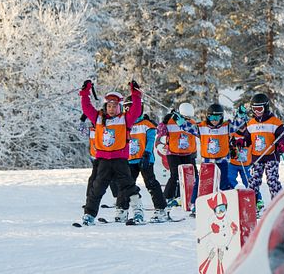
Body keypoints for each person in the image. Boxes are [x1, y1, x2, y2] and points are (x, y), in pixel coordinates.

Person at [79, 80, 144, 226]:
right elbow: (86, 107)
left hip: (119, 160)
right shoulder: (98, 118)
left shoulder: (125, 119)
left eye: (115, 106)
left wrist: (135, 94)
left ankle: (138, 212)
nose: (111, 109)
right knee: (97, 189)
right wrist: (85, 93)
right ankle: (89, 215)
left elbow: (136, 110)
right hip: (103, 160)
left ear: (119, 107)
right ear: (105, 106)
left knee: (128, 186)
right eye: (109, 106)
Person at [118, 97, 169, 223]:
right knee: (126, 184)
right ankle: (122, 209)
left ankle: (160, 209)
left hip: (144, 159)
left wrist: (146, 153)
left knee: (151, 183)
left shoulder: (147, 124)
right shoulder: (124, 124)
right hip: (130, 160)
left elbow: (151, 140)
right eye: (127, 109)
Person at [246, 93, 284, 214]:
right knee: (254, 181)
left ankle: (278, 205)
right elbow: (247, 139)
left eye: (260, 109)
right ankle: (250, 206)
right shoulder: (251, 123)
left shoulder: (274, 122)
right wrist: (240, 141)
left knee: (272, 180)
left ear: (266, 107)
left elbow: (283, 135)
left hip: (271, 156)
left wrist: (282, 143)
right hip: (257, 158)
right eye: (254, 109)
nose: (257, 111)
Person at [159, 102, 199, 211]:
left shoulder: (192, 122)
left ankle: (187, 197)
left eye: (188, 117)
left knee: (192, 175)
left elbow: (197, 135)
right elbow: (160, 132)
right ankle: (167, 197)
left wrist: (194, 154)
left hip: (188, 153)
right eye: (185, 117)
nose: (187, 119)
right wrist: (164, 122)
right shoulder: (170, 121)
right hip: (173, 152)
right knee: (175, 175)